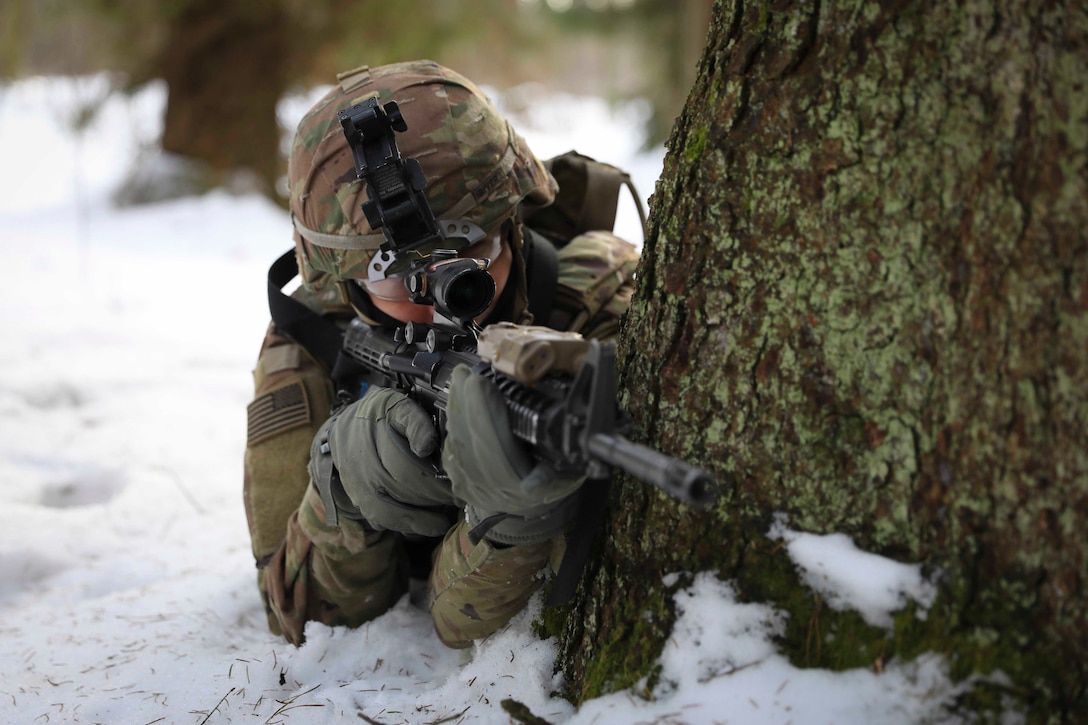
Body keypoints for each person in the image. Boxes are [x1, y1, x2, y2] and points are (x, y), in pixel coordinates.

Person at [243, 59, 640, 648]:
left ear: (514, 223)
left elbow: (485, 631)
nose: (443, 306)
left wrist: (509, 524)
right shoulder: (313, 340)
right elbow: (294, 612)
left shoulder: (604, 300)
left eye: (470, 259)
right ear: (346, 281)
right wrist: (342, 496)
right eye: (400, 283)